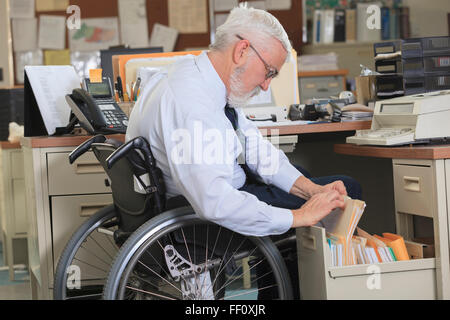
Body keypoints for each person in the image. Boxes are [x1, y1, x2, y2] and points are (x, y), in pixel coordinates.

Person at [126, 5, 362, 299]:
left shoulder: (198, 77)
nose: (265, 86)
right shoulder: (192, 105)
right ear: (242, 51)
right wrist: (297, 218)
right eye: (269, 72)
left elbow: (256, 149)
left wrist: (310, 191)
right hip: (197, 223)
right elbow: (215, 203)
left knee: (316, 185)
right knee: (347, 189)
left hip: (189, 205)